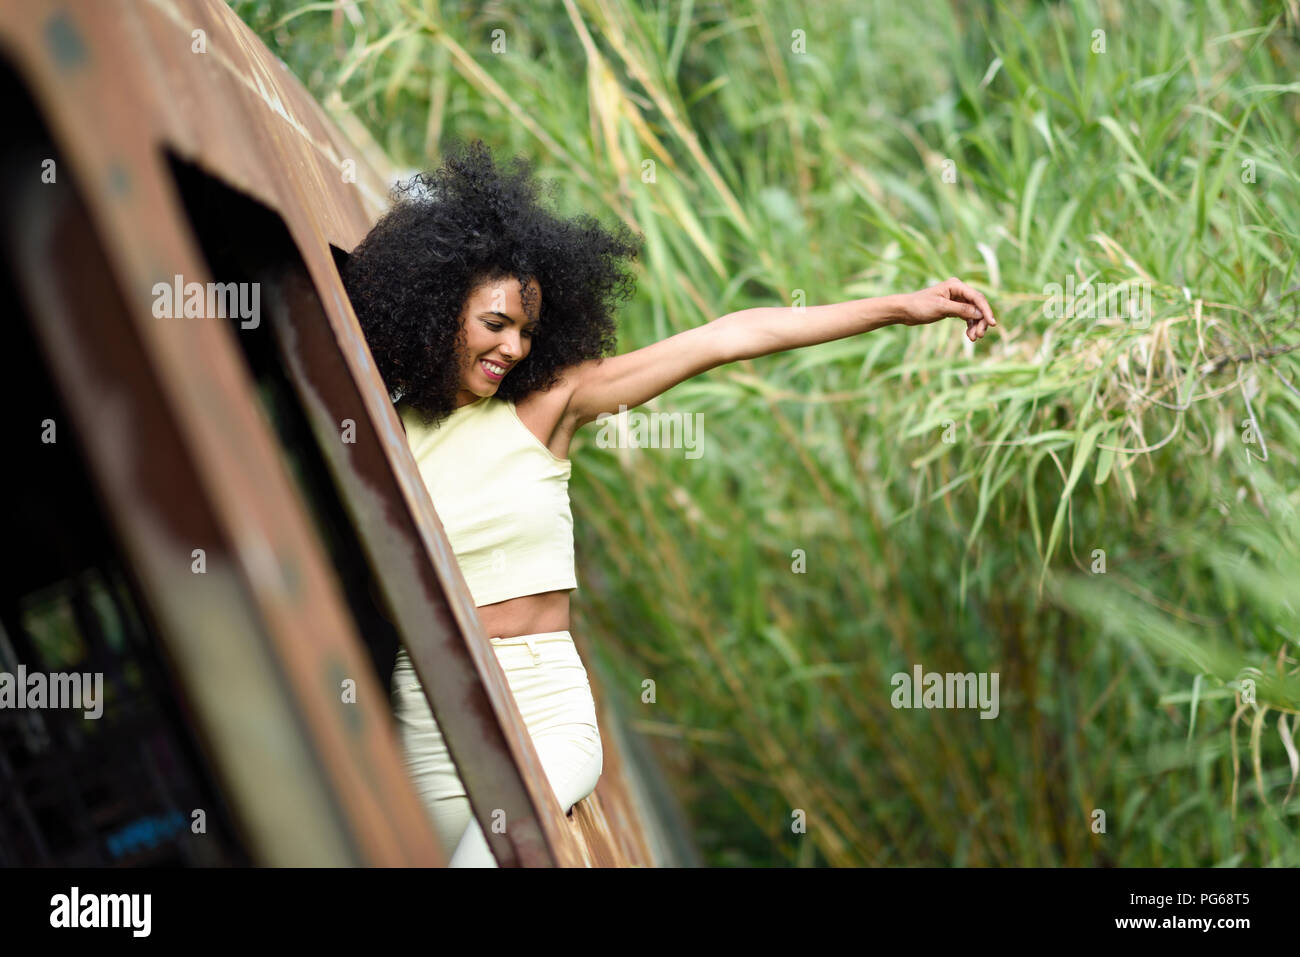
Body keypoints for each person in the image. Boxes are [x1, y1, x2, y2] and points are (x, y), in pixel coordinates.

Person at [342, 138, 997, 866]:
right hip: (432, 703)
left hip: (545, 705)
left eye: (528, 330)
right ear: (436, 309)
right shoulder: (388, 433)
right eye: (495, 325)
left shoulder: (551, 407)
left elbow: (728, 336)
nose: (516, 348)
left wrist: (905, 307)